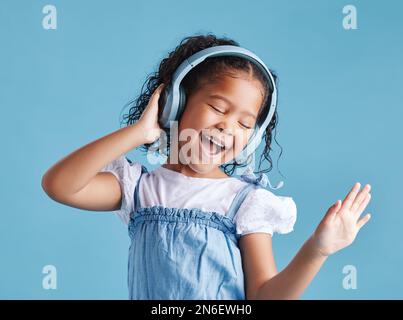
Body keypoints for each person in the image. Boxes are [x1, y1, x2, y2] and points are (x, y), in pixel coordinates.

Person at [41, 33, 372, 300]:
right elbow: (60, 185)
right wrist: (138, 133)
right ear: (176, 104)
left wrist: (317, 250)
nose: (228, 127)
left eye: (244, 124)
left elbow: (265, 296)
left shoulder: (244, 202)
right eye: (217, 107)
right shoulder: (139, 189)